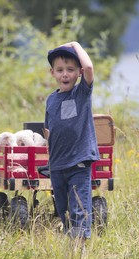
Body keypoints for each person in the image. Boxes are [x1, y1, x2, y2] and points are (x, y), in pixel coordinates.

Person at [44, 41, 100, 240]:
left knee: (79, 207)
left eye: (70, 69)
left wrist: (76, 44)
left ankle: (80, 248)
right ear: (53, 73)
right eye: (60, 70)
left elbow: (90, 67)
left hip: (79, 161)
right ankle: (71, 242)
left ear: (79, 72)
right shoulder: (51, 100)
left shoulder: (81, 94)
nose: (65, 74)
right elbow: (49, 130)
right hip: (57, 165)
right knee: (63, 210)